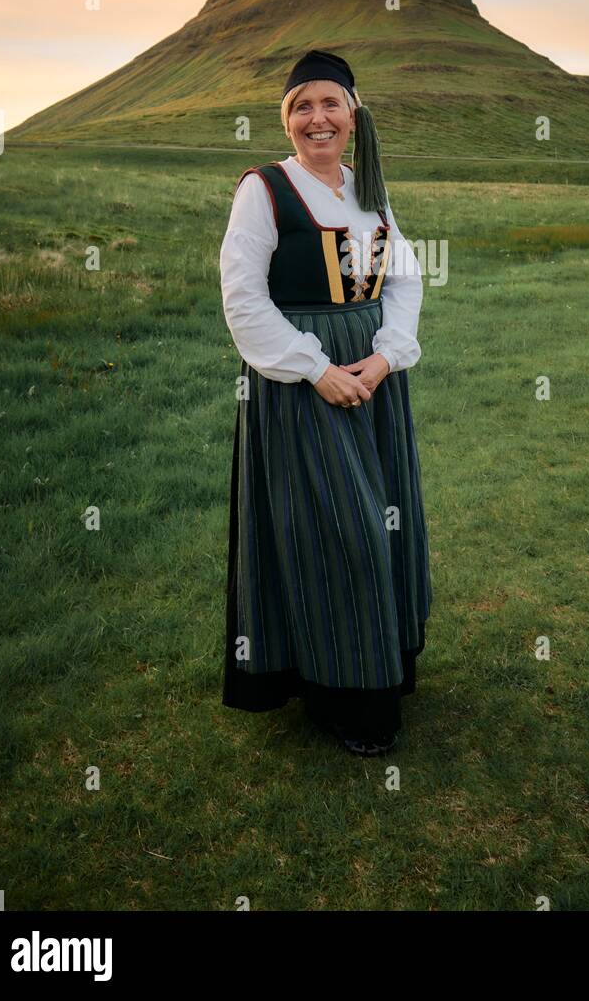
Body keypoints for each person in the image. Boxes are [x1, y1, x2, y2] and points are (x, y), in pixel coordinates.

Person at [219, 49, 432, 755]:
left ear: (353, 114)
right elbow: (244, 301)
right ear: (287, 119)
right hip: (302, 386)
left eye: (330, 104)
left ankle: (378, 670)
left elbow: (403, 279)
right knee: (343, 534)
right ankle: (345, 694)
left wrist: (385, 355)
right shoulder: (265, 189)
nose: (318, 118)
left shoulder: (368, 190)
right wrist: (316, 370)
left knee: (384, 524)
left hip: (371, 377)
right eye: (302, 106)